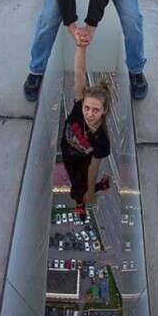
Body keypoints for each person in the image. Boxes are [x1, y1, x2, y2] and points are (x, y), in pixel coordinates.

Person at [61, 44, 111, 221]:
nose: (89, 114)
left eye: (95, 110)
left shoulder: (102, 142)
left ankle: (80, 203)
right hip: (67, 153)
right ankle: (99, 187)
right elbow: (79, 72)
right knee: (78, 184)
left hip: (82, 161)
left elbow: (93, 169)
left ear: (104, 111)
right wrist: (81, 46)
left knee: (78, 186)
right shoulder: (78, 103)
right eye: (87, 108)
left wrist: (90, 192)